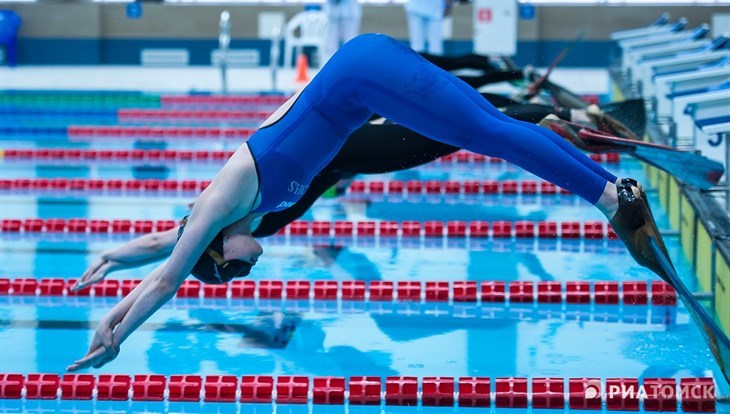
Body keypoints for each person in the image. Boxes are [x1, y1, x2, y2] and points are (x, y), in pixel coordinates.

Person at [67, 34, 670, 371]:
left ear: (220, 248)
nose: (247, 268)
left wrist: (115, 330)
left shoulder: (222, 202)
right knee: (484, 127)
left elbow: (170, 274)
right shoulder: (253, 217)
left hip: (362, 75)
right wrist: (116, 257)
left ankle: (611, 196)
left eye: (232, 269)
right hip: (362, 84)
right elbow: (168, 248)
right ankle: (609, 182)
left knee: (485, 132)